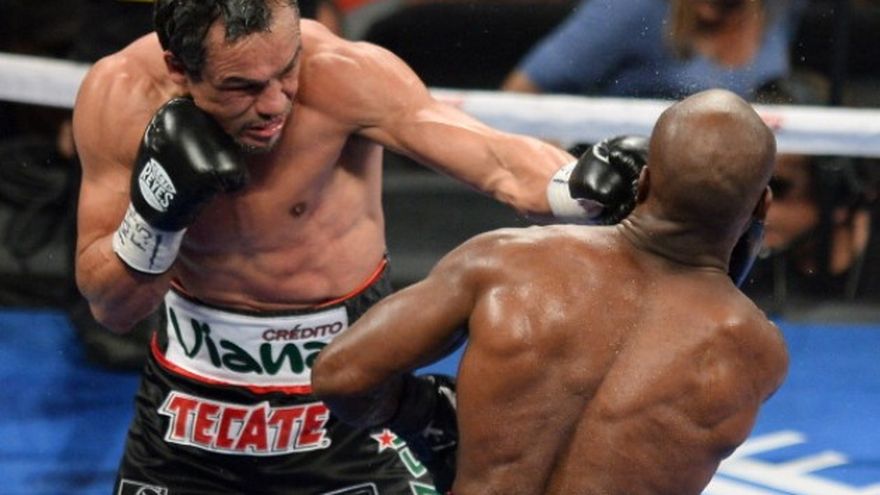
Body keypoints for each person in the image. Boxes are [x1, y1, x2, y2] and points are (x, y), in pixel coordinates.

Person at [71, 0, 645, 493]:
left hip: (351, 399)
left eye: (286, 70)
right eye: (242, 87)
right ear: (179, 68)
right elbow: (112, 308)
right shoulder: (121, 95)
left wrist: (573, 186)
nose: (274, 103)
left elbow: (495, 161)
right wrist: (157, 219)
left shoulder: (344, 74)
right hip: (191, 411)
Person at [312, 89, 790, 495]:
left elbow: (340, 375)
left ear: (644, 181)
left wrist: (426, 415)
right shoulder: (756, 351)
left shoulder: (506, 260)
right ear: (763, 206)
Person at [502, 0, 805, 100]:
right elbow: (519, 94)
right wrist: (568, 178)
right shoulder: (630, 7)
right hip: (638, 203)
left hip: (738, 196)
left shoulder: (780, 8)